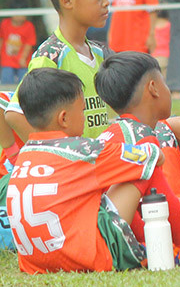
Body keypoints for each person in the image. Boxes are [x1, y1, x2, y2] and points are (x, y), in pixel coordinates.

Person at [3, 69, 164, 273]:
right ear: (64, 118)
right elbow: (155, 156)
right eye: (82, 111)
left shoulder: (24, 155)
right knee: (143, 166)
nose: (85, 118)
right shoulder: (83, 151)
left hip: (35, 264)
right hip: (89, 260)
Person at [93, 51, 180, 262]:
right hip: (110, 236)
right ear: (153, 88)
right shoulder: (142, 138)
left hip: (94, 226)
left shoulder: (113, 132)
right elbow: (168, 206)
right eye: (164, 82)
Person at [4, 0, 114, 145]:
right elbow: (15, 114)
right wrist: (54, 154)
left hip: (97, 166)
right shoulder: (50, 56)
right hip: (72, 171)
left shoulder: (99, 53)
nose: (106, 2)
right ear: (67, 0)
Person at [0, 0, 36, 85]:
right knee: (6, 81)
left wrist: (23, 58)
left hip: (22, 62)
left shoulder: (29, 26)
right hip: (7, 60)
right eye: (18, 14)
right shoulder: (5, 24)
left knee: (24, 82)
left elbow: (29, 44)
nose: (20, 17)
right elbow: (1, 39)